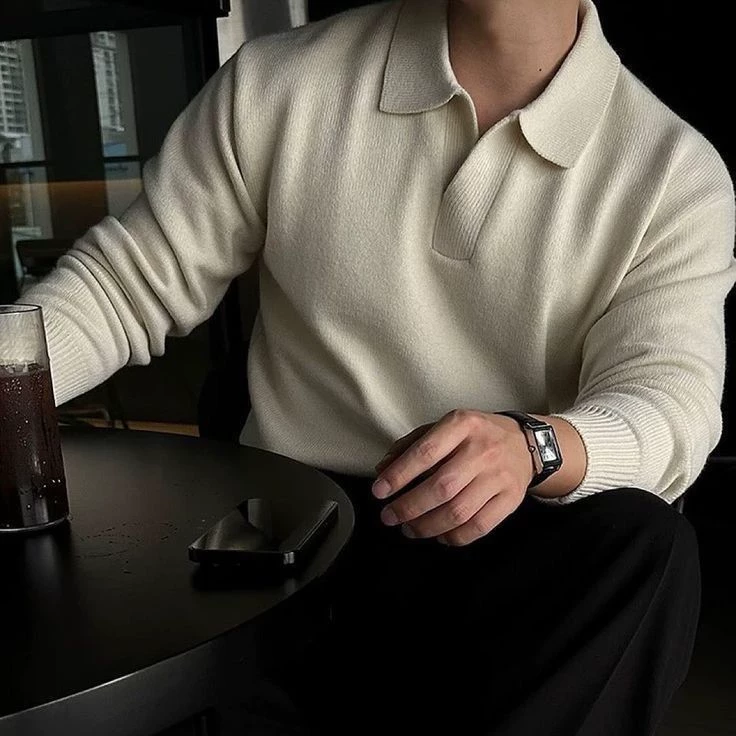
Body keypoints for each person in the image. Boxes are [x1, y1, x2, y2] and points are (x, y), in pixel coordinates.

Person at [20, 0, 735, 733]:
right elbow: (126, 287)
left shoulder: (669, 170)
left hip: (509, 552)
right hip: (294, 544)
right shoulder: (281, 83)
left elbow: (669, 403)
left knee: (647, 547)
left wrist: (530, 446)